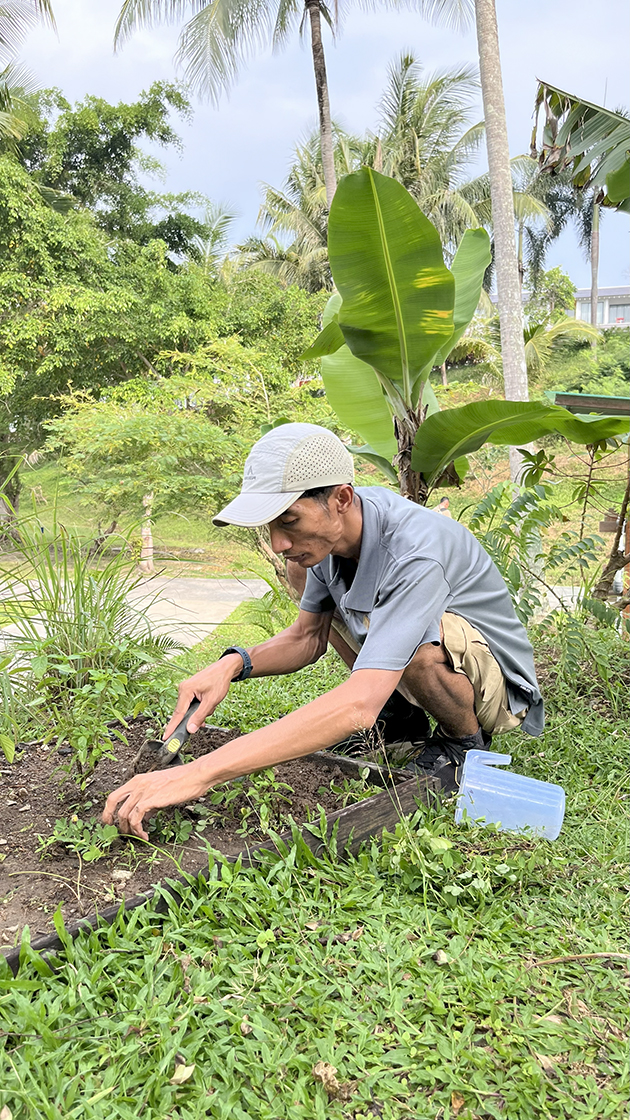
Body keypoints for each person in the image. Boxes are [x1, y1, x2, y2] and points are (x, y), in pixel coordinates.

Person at [103, 423, 543, 839]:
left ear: (341, 499)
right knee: (314, 584)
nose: (278, 543)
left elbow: (357, 705)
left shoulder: (415, 552)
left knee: (418, 646)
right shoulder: (332, 542)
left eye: (289, 521)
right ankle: (402, 719)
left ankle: (461, 746)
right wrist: (231, 665)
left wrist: (197, 773)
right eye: (270, 526)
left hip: (495, 691)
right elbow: (306, 638)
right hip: (417, 663)